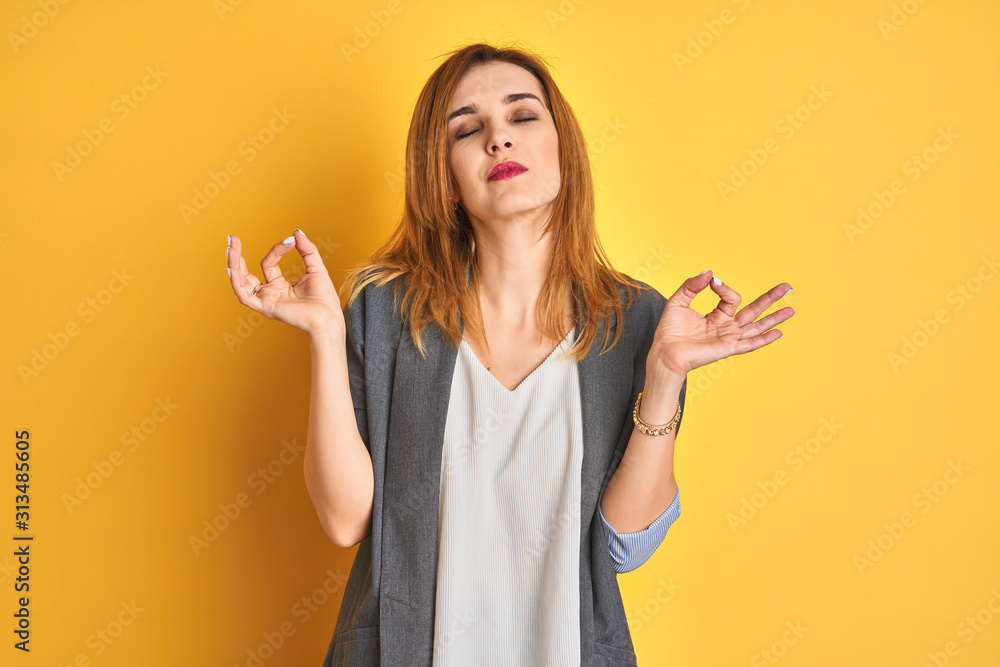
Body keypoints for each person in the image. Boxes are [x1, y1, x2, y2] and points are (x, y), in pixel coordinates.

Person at [226, 41, 794, 666]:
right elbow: (346, 522)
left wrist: (664, 377)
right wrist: (326, 338)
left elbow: (624, 546)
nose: (499, 138)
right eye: (467, 130)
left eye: (522, 116)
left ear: (564, 150)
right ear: (444, 177)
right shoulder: (386, 312)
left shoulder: (638, 322)